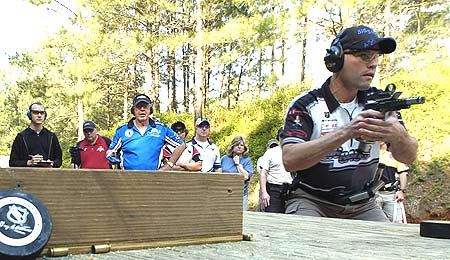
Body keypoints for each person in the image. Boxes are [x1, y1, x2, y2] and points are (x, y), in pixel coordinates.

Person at [282, 25, 418, 222]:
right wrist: (346, 132)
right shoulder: (306, 105)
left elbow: (408, 156)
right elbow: (290, 160)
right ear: (336, 58)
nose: (373, 64)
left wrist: (399, 135)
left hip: (364, 205)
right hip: (312, 201)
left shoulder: (381, 101)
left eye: (376, 56)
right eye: (364, 56)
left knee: (391, 250)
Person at [106, 93, 185, 170]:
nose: (142, 109)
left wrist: (169, 165)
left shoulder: (161, 129)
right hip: (127, 178)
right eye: (139, 107)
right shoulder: (122, 130)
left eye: (145, 107)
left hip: (154, 178)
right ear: (133, 110)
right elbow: (111, 151)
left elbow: (181, 145)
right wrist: (110, 155)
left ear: (150, 109)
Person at [9, 102, 62, 168]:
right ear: (29, 115)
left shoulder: (52, 136)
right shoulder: (21, 137)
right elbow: (12, 162)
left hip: (48, 176)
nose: (39, 115)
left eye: (42, 113)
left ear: (45, 115)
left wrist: (51, 163)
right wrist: (28, 162)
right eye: (36, 112)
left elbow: (59, 160)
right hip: (27, 176)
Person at [260, 127, 292, 213]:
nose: (284, 138)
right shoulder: (270, 152)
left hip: (289, 189)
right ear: (278, 137)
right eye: (282, 136)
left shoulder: (293, 152)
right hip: (273, 188)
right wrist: (264, 193)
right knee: (272, 217)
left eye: (286, 136)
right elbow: (263, 173)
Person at [376, 142, 409, 223]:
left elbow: (403, 173)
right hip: (374, 194)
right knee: (374, 221)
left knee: (397, 221)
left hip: (391, 194)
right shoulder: (369, 154)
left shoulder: (395, 156)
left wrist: (401, 190)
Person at [221, 136, 253, 211]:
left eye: (241, 145)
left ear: (244, 148)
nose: (239, 147)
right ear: (232, 146)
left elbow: (246, 177)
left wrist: (237, 164)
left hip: (240, 195)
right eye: (237, 145)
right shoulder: (224, 158)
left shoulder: (247, 160)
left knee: (241, 218)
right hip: (224, 194)